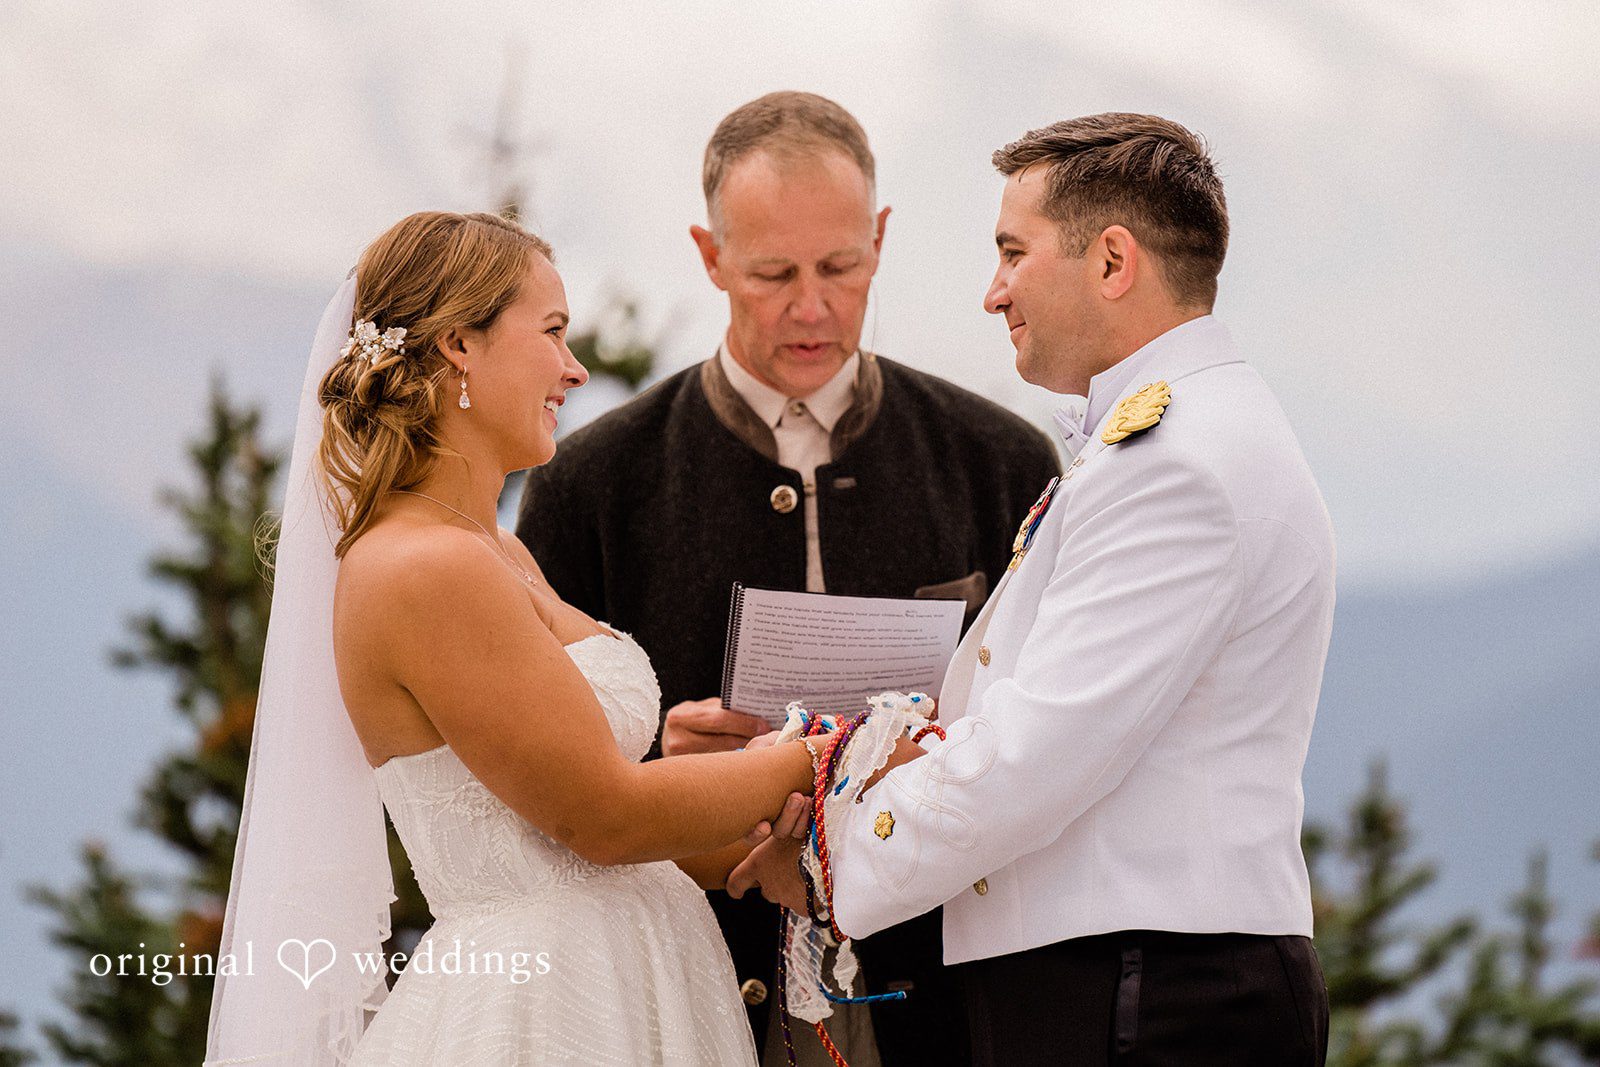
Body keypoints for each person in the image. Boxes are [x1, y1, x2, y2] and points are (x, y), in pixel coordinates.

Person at [731, 113, 1336, 1065]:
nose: (992, 291)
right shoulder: (1168, 439)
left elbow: (1039, 750)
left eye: (1013, 252)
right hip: (1130, 979)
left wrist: (830, 859)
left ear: (1112, 261)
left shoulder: (1173, 461)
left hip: (1149, 995)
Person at [204, 211, 831, 1066]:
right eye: (553, 332)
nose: (574, 368)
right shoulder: (423, 568)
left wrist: (766, 840)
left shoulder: (496, 550)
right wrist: (826, 755)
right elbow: (602, 818)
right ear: (462, 342)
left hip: (630, 977)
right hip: (542, 1012)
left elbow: (571, 824)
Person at [516, 92, 1060, 1066]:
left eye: (840, 267)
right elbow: (534, 793)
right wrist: (651, 766)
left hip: (943, 1012)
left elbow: (1054, 740)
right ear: (709, 254)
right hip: (680, 1004)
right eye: (772, 273)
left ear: (880, 239)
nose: (810, 306)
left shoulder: (1001, 462)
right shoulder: (592, 484)